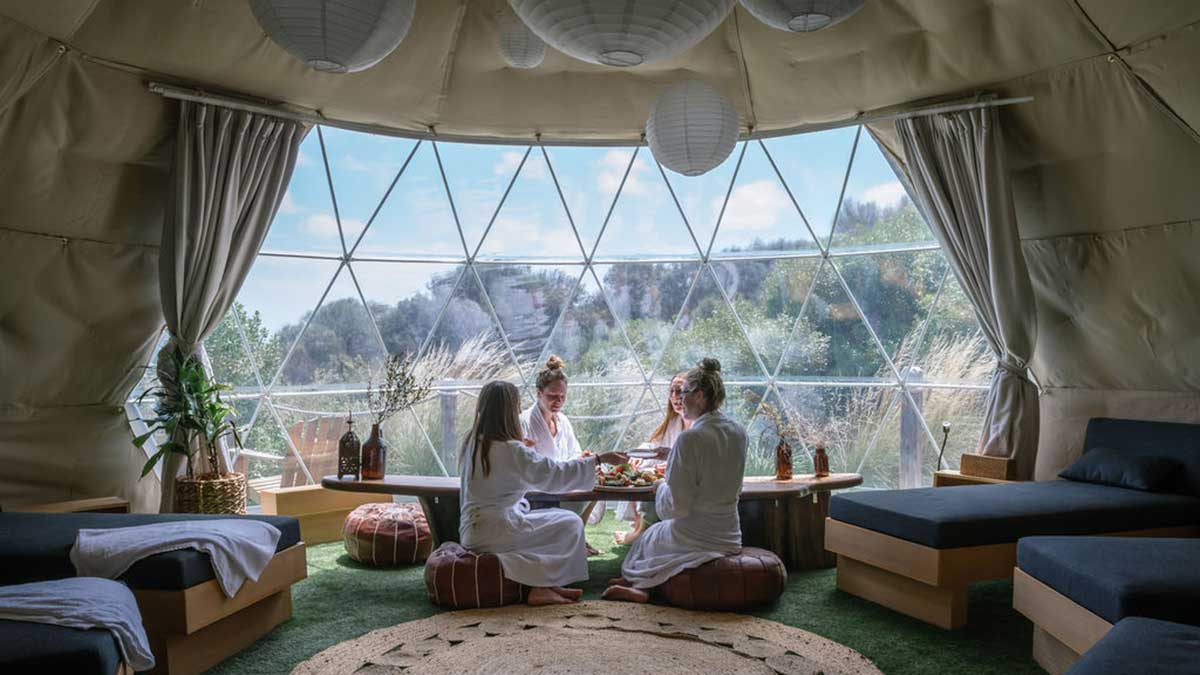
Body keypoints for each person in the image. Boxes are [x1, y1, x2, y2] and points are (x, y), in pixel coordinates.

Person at [459, 380, 627, 606]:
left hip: (474, 528)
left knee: (564, 519)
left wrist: (522, 449)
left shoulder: (473, 440)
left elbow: (502, 471)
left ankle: (545, 584)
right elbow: (554, 475)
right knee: (571, 525)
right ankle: (540, 586)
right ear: (509, 410)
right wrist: (598, 459)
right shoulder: (511, 450)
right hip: (495, 532)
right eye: (516, 405)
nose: (519, 410)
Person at [602, 357, 747, 603]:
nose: (680, 399)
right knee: (653, 536)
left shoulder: (690, 438)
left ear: (700, 395)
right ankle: (635, 582)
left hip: (697, 536)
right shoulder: (738, 431)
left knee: (649, 537)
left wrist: (659, 486)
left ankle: (641, 587)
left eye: (684, 392)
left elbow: (675, 508)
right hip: (729, 534)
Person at [521, 355, 601, 555]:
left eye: (562, 397)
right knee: (586, 482)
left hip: (562, 480)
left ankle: (577, 536)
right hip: (539, 488)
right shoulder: (524, 421)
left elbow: (573, 451)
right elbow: (527, 466)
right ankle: (572, 540)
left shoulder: (563, 421)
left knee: (594, 480)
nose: (558, 401)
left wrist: (582, 457)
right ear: (538, 393)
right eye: (552, 396)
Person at [613, 372, 692, 546]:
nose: (675, 397)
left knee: (650, 480)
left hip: (685, 484)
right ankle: (639, 525)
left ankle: (641, 530)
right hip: (670, 476)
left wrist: (670, 466)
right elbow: (654, 445)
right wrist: (638, 456)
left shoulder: (698, 427)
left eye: (680, 392)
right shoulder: (674, 422)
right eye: (671, 392)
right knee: (639, 474)